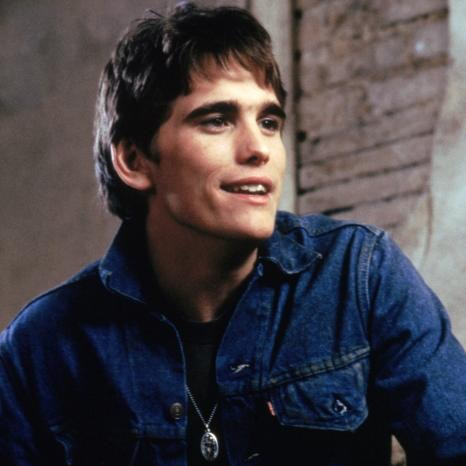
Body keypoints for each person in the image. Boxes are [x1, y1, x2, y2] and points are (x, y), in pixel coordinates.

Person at [1, 3, 465, 465]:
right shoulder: (41, 347)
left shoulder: (360, 275)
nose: (258, 148)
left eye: (269, 122)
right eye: (217, 120)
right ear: (135, 160)